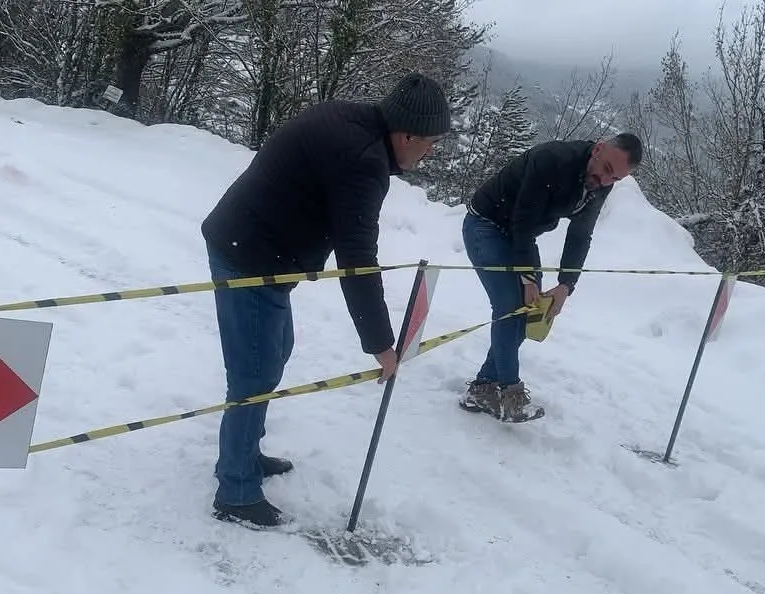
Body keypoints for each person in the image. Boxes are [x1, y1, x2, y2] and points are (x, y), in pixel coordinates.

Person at [200, 72, 451, 528]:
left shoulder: (356, 122)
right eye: (430, 142)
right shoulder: (363, 159)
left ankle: (245, 454)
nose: (430, 151)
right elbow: (357, 259)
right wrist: (381, 344)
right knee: (254, 373)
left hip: (261, 251)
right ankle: (235, 491)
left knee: (272, 357)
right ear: (407, 133)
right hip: (249, 257)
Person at [457, 133, 643, 422]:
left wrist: (566, 285)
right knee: (509, 308)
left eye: (615, 179)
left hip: (523, 236)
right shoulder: (552, 160)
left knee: (529, 312)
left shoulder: (601, 182)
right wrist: (528, 278)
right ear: (597, 149)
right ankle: (510, 394)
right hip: (486, 225)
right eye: (606, 170)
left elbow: (581, 235)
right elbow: (522, 218)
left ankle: (482, 388)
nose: (606, 181)